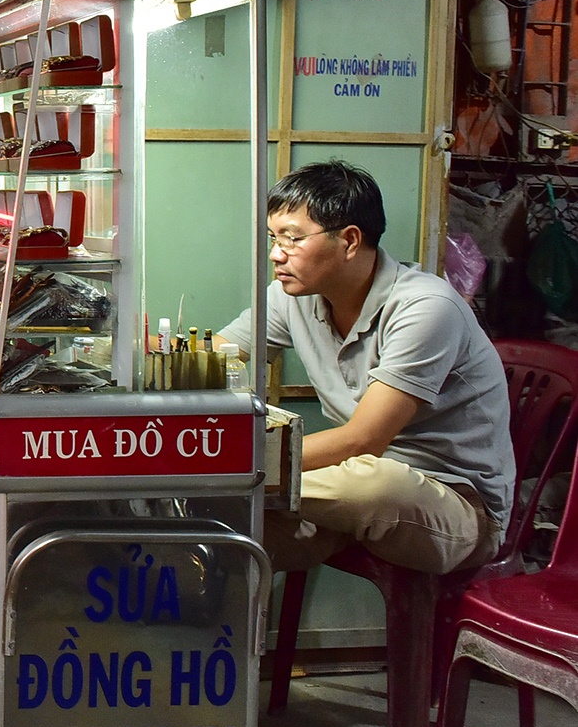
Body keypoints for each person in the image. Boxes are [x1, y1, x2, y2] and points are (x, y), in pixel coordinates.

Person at [220, 161, 514, 578]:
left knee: (373, 484)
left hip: (453, 503)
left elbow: (364, 440)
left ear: (350, 240)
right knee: (230, 529)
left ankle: (239, 480)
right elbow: (220, 353)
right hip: (344, 485)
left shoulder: (426, 308)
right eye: (273, 237)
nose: (275, 254)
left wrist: (238, 464)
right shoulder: (294, 296)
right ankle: (209, 628)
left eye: (292, 238)